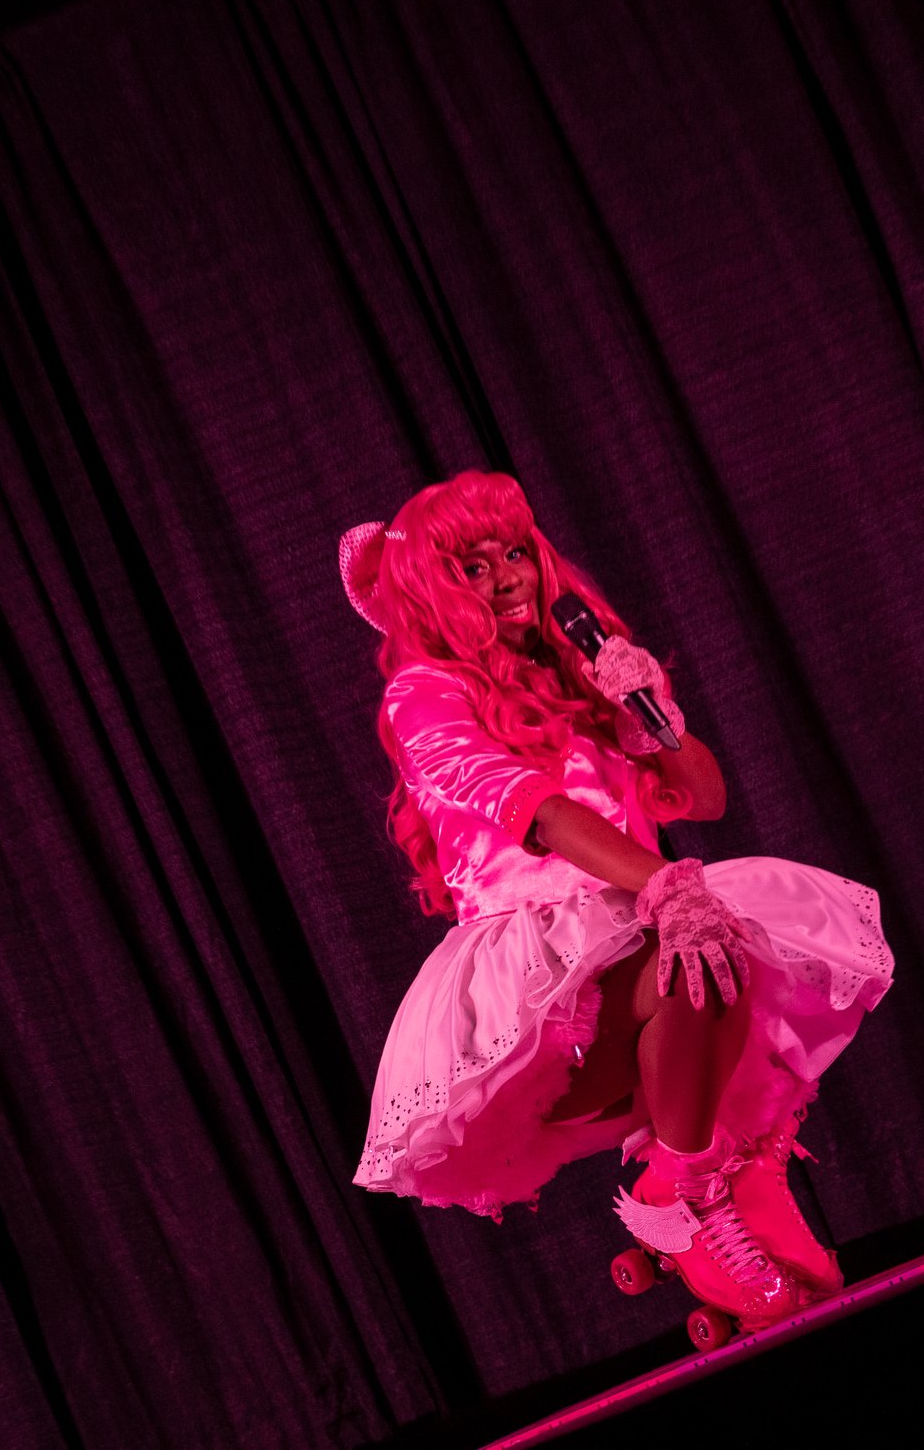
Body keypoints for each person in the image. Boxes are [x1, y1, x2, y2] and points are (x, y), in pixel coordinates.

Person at [340, 470, 893, 1339]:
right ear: (435, 593)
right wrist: (667, 883)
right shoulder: (423, 694)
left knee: (728, 943)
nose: (510, 577)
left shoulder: (573, 672)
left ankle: (715, 1175)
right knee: (701, 944)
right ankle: (673, 1192)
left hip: (636, 923)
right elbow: (542, 814)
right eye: (474, 568)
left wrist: (649, 718)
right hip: (543, 974)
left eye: (516, 553)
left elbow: (704, 797)